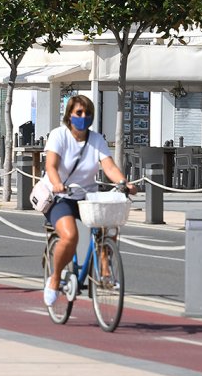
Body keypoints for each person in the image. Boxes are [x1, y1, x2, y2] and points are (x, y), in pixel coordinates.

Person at [41, 95, 137, 307]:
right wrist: (57, 183)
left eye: (87, 114)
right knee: (70, 236)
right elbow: (51, 166)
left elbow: (109, 166)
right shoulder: (59, 136)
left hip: (86, 195)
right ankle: (55, 278)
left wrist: (124, 182)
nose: (83, 117)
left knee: (107, 226)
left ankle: (105, 271)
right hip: (60, 196)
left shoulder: (96, 140)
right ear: (69, 115)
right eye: (79, 113)